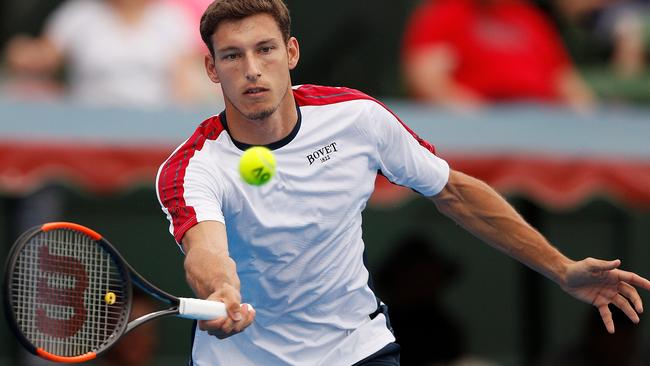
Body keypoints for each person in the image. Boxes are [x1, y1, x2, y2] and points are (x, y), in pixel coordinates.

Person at [155, 0, 650, 365]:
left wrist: (561, 269)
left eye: (264, 50)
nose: (252, 70)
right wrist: (221, 291)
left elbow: (454, 192)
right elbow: (207, 250)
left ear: (291, 53)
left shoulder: (357, 119)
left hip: (357, 351)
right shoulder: (192, 167)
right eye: (233, 56)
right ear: (211, 68)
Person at [401, 0, 595, 111]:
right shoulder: (444, 13)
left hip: (543, 122)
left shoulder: (528, 17)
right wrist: (484, 119)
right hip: (486, 123)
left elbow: (567, 83)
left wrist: (586, 119)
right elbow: (428, 80)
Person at [4, 0, 198, 107]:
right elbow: (43, 57)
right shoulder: (79, 14)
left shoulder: (170, 18)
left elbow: (184, 82)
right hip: (87, 123)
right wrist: (20, 53)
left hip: (152, 125)